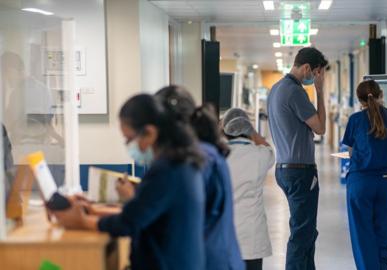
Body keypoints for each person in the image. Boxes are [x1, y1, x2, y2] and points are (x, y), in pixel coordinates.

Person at [52, 94, 206, 270]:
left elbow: (128, 223)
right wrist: (92, 210)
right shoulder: (181, 163)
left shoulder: (166, 170)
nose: (128, 146)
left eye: (129, 139)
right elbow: (140, 212)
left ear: (150, 132)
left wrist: (83, 222)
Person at [153, 86, 245, 270]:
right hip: (220, 256)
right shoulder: (207, 152)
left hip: (207, 259)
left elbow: (179, 215)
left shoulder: (196, 160)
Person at [267, 47, 328, 269]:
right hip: (300, 171)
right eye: (317, 73)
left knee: (306, 230)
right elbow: (320, 127)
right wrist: (320, 92)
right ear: (306, 68)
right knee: (302, 234)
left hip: (284, 168)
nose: (317, 78)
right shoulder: (295, 92)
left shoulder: (275, 89)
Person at [342, 80, 387, 270]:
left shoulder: (355, 120)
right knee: (383, 236)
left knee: (362, 235)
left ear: (360, 100)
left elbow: (350, 152)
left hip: (360, 184)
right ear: (381, 94)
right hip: (386, 183)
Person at [222, 109, 275, 270]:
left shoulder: (219, 156)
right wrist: (255, 134)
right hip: (252, 235)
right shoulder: (261, 155)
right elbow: (267, 147)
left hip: (225, 233)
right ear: (250, 130)